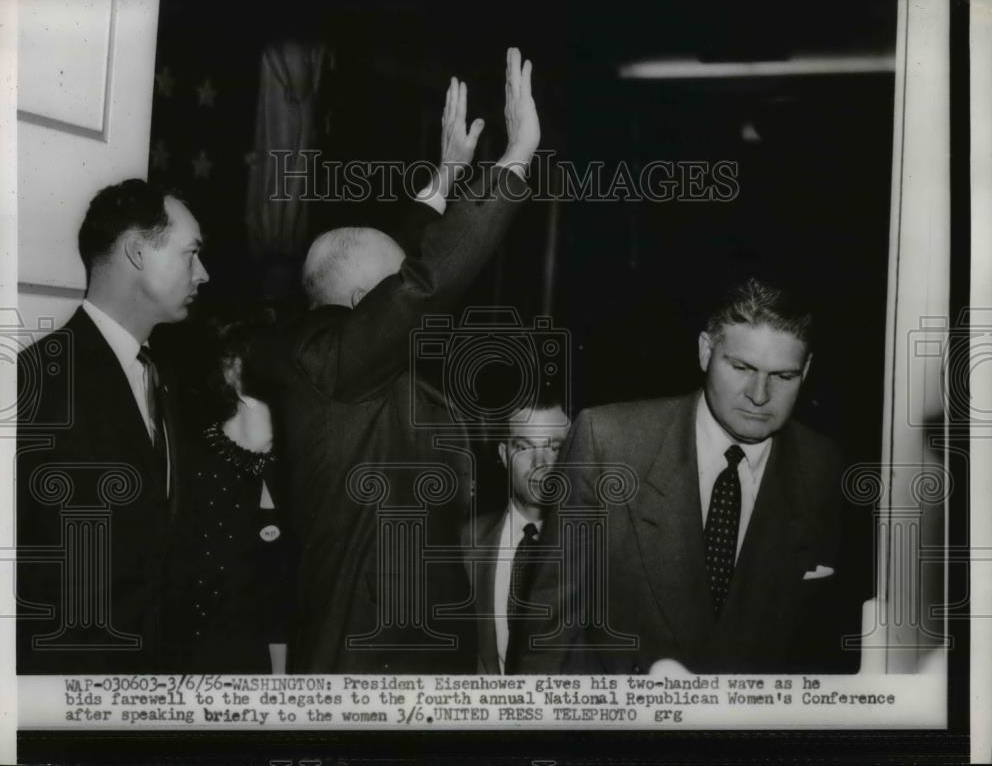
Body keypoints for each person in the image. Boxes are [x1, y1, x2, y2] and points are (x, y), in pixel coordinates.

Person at [250, 48, 540, 673]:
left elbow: (400, 268)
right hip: (373, 662)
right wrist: (516, 160)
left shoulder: (332, 350)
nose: (400, 310)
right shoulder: (331, 358)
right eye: (387, 299)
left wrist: (444, 178)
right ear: (364, 306)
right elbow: (422, 281)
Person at [517, 278, 858, 674]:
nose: (760, 395)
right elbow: (550, 630)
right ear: (705, 352)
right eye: (742, 367)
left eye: (783, 376)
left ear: (808, 369)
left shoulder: (824, 466)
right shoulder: (608, 443)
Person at [16, 180, 209, 673]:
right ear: (137, 252)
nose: (202, 274)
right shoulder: (39, 381)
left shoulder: (160, 378)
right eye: (190, 254)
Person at [163, 306, 294, 674]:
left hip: (283, 659)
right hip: (203, 657)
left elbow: (285, 586)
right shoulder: (187, 455)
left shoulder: (300, 459)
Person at [465, 398, 570, 674]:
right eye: (524, 447)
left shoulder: (598, 546)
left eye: (554, 447)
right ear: (503, 454)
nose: (540, 463)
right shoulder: (466, 542)